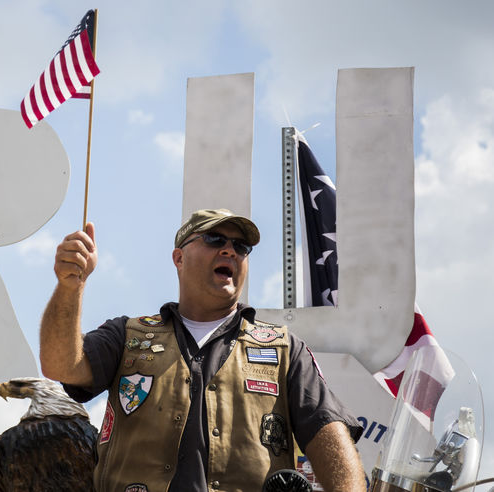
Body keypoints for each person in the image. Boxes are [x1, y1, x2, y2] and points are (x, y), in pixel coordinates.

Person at [40, 209, 367, 492]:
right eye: (215, 239)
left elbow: (330, 437)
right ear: (179, 258)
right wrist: (70, 286)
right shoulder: (127, 335)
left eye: (241, 247)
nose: (230, 251)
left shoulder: (285, 349)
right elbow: (61, 365)